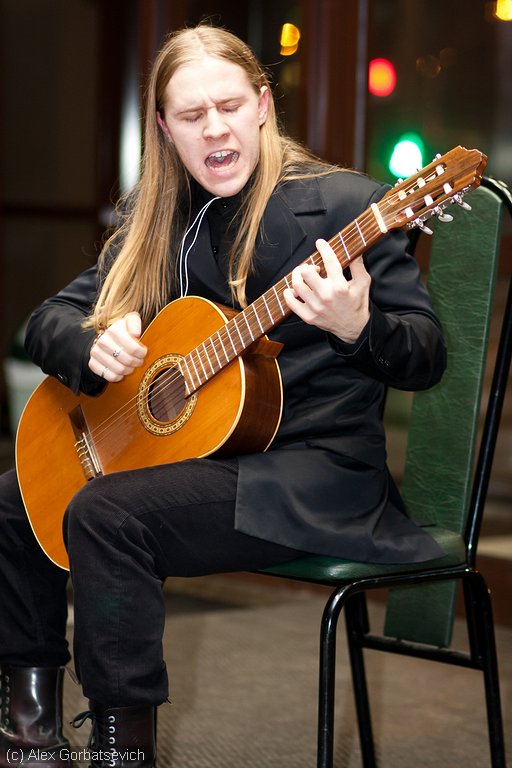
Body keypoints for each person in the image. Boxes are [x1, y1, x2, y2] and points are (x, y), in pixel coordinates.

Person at [0, 23, 447, 768]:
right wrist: (90, 347)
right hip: (201, 460)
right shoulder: (159, 219)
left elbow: (426, 355)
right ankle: (29, 732)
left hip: (314, 474)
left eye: (230, 106)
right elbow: (49, 319)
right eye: (191, 114)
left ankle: (122, 749)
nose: (214, 129)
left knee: (106, 514)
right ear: (164, 128)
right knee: (17, 498)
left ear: (263, 104)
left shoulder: (347, 205)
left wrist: (357, 326)